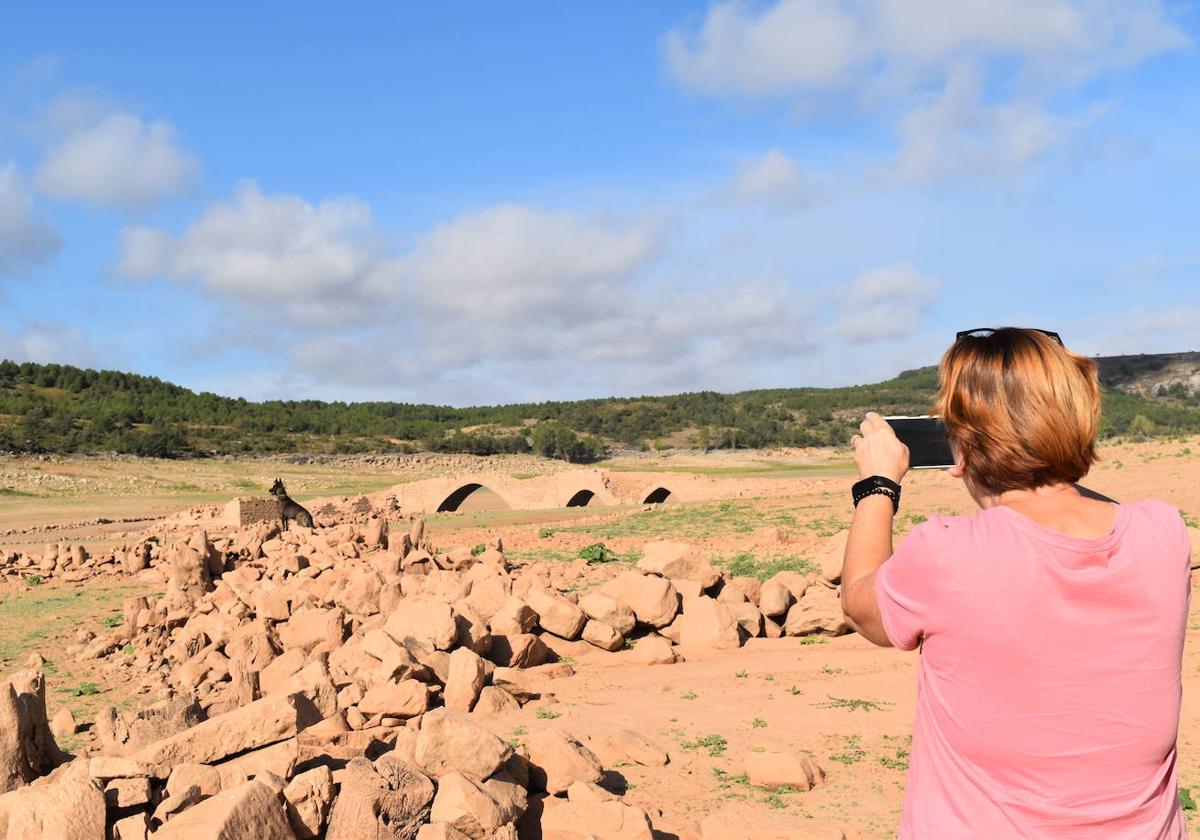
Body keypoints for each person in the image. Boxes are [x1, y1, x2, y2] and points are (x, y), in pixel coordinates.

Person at [840, 327, 1191, 838]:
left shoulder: (947, 550)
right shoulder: (1165, 533)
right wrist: (1041, 463)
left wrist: (878, 484)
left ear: (961, 443)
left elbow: (859, 605)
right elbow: (1078, 514)